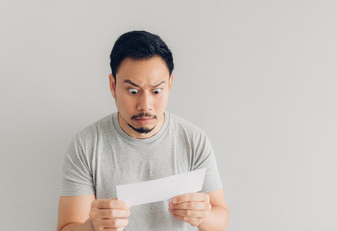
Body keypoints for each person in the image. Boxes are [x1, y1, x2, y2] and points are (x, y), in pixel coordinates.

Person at [57, 30, 230, 231]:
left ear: (170, 85)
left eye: (156, 91)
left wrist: (204, 215)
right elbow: (66, 228)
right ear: (113, 86)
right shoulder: (86, 145)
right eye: (132, 91)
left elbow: (221, 220)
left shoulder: (193, 140)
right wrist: (92, 226)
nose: (145, 105)